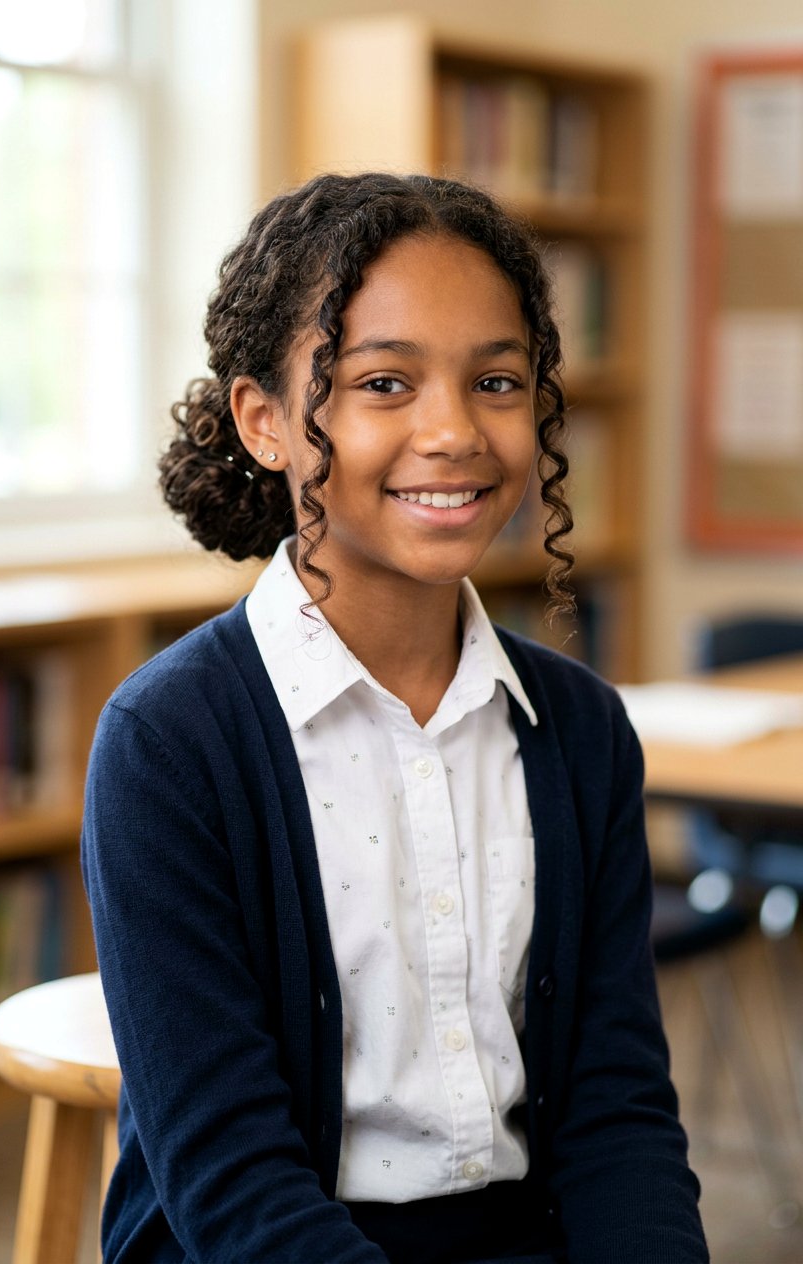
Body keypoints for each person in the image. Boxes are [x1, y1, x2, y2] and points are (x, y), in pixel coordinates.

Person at [82, 172, 709, 1264]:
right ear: (265, 422)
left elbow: (617, 1113)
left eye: (496, 381)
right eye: (383, 382)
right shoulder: (168, 744)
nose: (453, 430)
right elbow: (231, 1180)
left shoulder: (581, 730)